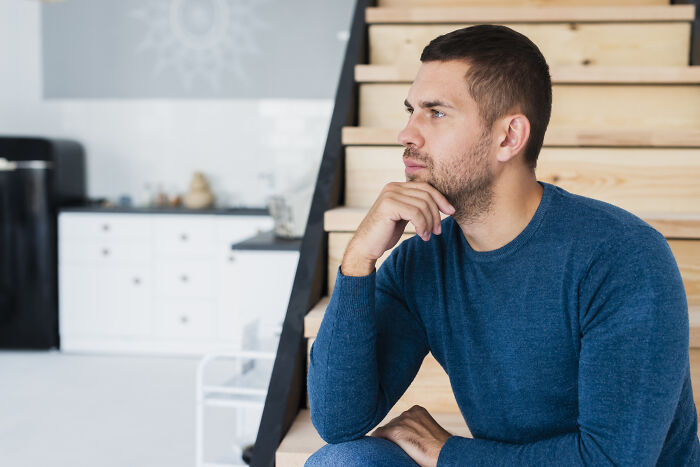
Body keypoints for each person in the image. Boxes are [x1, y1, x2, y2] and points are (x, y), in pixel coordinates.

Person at [305, 24, 700, 466]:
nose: (406, 134)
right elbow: (339, 422)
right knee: (342, 461)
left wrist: (449, 454)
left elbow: (613, 462)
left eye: (435, 113)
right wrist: (358, 260)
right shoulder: (424, 258)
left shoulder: (623, 258)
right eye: (410, 110)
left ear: (509, 137)